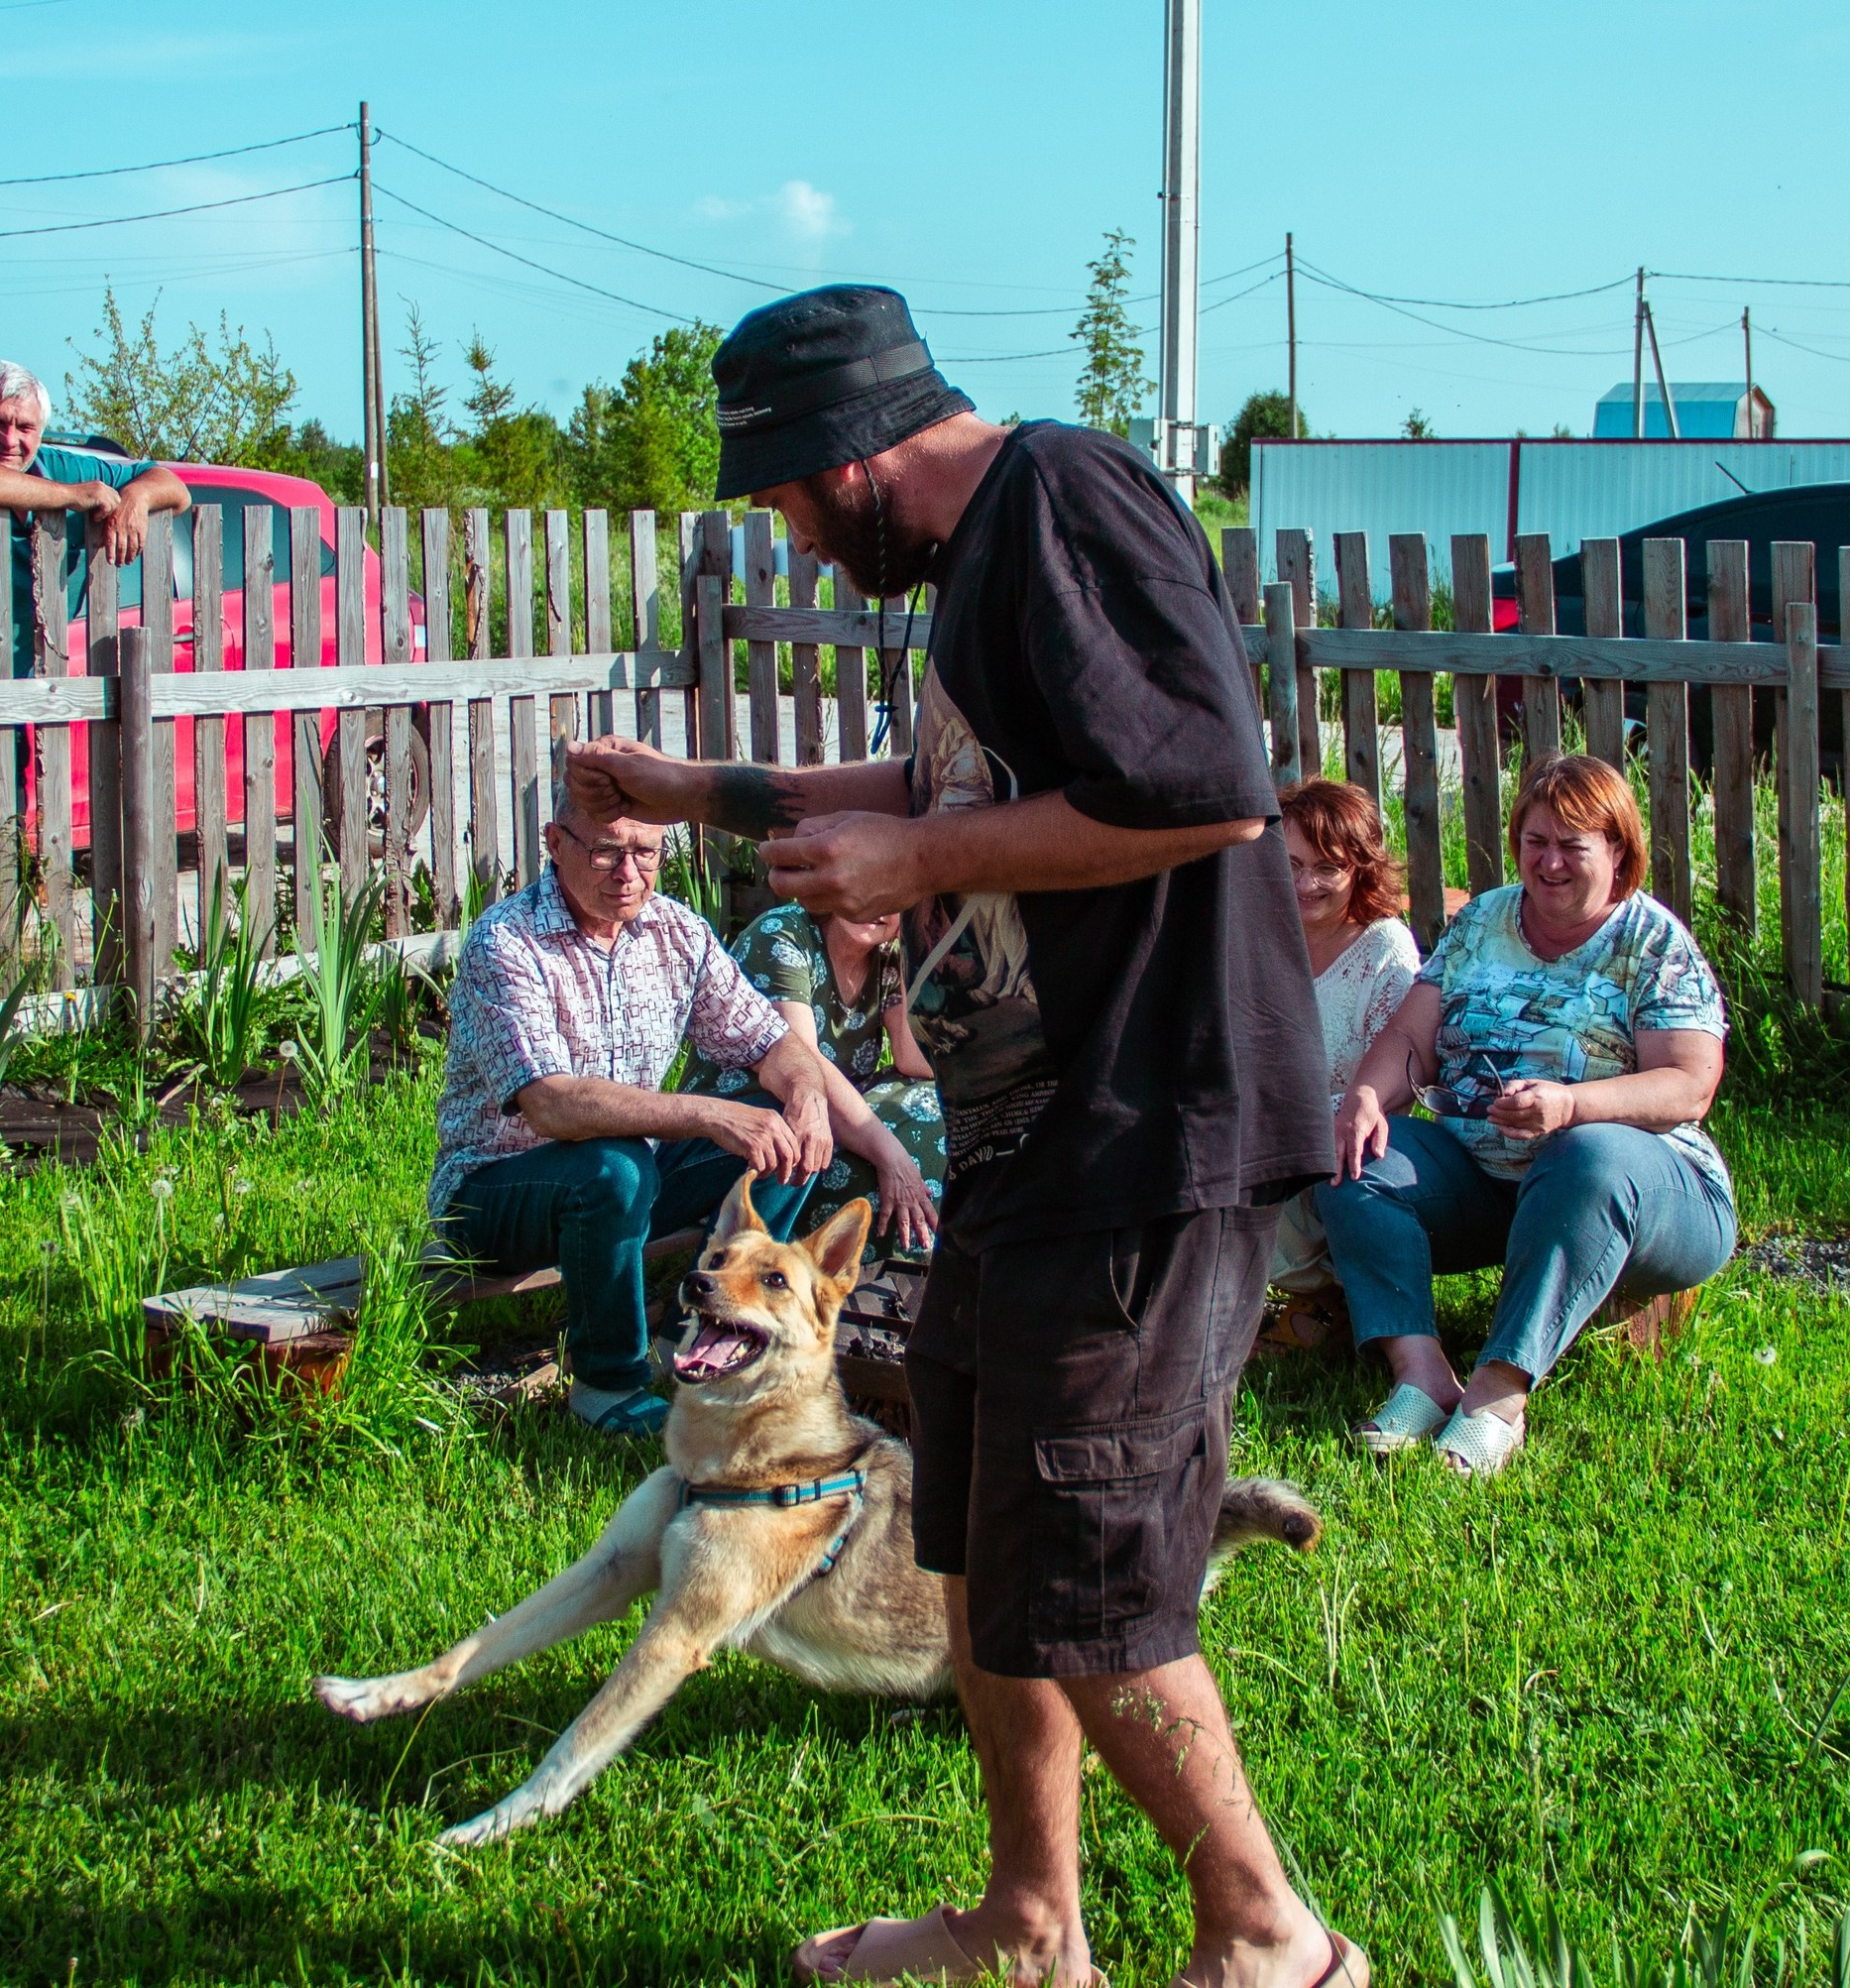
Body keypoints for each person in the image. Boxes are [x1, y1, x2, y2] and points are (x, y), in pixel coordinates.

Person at [567, 287, 1361, 1988]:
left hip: (1156, 1125)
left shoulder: (1061, 498)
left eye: (781, 496)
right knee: (988, 1530)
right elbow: (947, 788)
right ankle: (1026, 1922)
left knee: (1083, 1561)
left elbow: (1210, 786)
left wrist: (919, 874)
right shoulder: (980, 568)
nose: (782, 528)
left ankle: (1271, 1936)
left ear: (849, 459)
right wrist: (687, 790)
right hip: (1035, 1138)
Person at [1316, 753, 1736, 1475]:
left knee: (1586, 1155)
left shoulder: (1652, 941)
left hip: (1646, 1193)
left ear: (1618, 850)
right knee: (1355, 1155)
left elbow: (1690, 1084)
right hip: (1487, 1179)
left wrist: (1573, 1105)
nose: (1548, 862)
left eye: (1571, 845)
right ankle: (1420, 1372)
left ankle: (1497, 1394)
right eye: (1534, 841)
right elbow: (1412, 1036)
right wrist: (1362, 1097)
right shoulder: (1482, 919)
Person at [429, 777, 836, 1437]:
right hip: (493, 1190)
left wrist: (809, 1095)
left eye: (647, 853)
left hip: (629, 1172)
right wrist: (707, 1113)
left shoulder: (676, 932)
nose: (630, 873)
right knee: (614, 1170)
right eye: (607, 852)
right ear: (555, 844)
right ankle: (606, 1384)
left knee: (783, 1129)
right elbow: (551, 1105)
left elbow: (773, 1042)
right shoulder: (506, 944)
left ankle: (699, 1338)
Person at [0, 361, 188, 679]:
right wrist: (71, 496)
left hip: (18, 694)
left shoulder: (57, 466)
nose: (9, 440)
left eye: (25, 428)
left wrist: (137, 498)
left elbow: (175, 489)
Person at [681, 900, 944, 1258]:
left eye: (893, 894)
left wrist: (914, 950)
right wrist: (892, 1157)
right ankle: (764, 1265)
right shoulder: (783, 934)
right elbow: (802, 1066)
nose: (876, 903)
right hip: (752, 1128)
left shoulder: (887, 957)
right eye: (863, 882)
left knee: (939, 1104)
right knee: (900, 1158)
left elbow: (914, 1059)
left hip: (832, 1124)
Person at [1265, 779, 1423, 1303]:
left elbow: (1396, 1082)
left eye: (1326, 867)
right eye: (1290, 865)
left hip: (1345, 1141)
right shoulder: (1260, 934)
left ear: (1360, 867)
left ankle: (1326, 1292)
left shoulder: (1385, 950)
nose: (1305, 883)